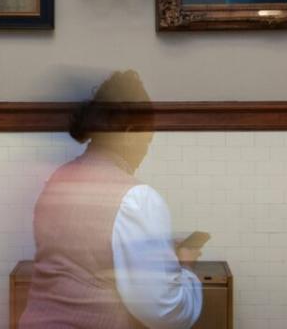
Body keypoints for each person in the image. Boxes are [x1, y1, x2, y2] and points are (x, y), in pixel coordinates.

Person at [19, 71, 203, 329]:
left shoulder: (57, 181)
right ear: (129, 134)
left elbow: (83, 255)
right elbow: (163, 311)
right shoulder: (137, 199)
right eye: (147, 141)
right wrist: (185, 269)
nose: (145, 152)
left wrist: (154, 248)